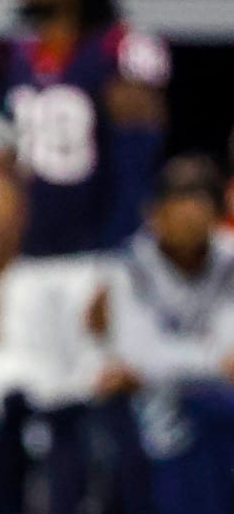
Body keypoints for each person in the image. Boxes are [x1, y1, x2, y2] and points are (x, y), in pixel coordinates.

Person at [0, 0, 171, 513]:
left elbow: (138, 156)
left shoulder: (118, 50)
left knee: (113, 405)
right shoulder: (18, 58)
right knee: (49, 409)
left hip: (96, 253)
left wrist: (117, 259)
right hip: (34, 258)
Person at [97, 154, 234, 514]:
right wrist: (210, 363)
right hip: (147, 423)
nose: (189, 215)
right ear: (155, 213)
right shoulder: (127, 266)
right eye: (178, 202)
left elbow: (230, 344)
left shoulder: (230, 260)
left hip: (216, 417)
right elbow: (136, 354)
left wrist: (164, 365)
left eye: (199, 201)